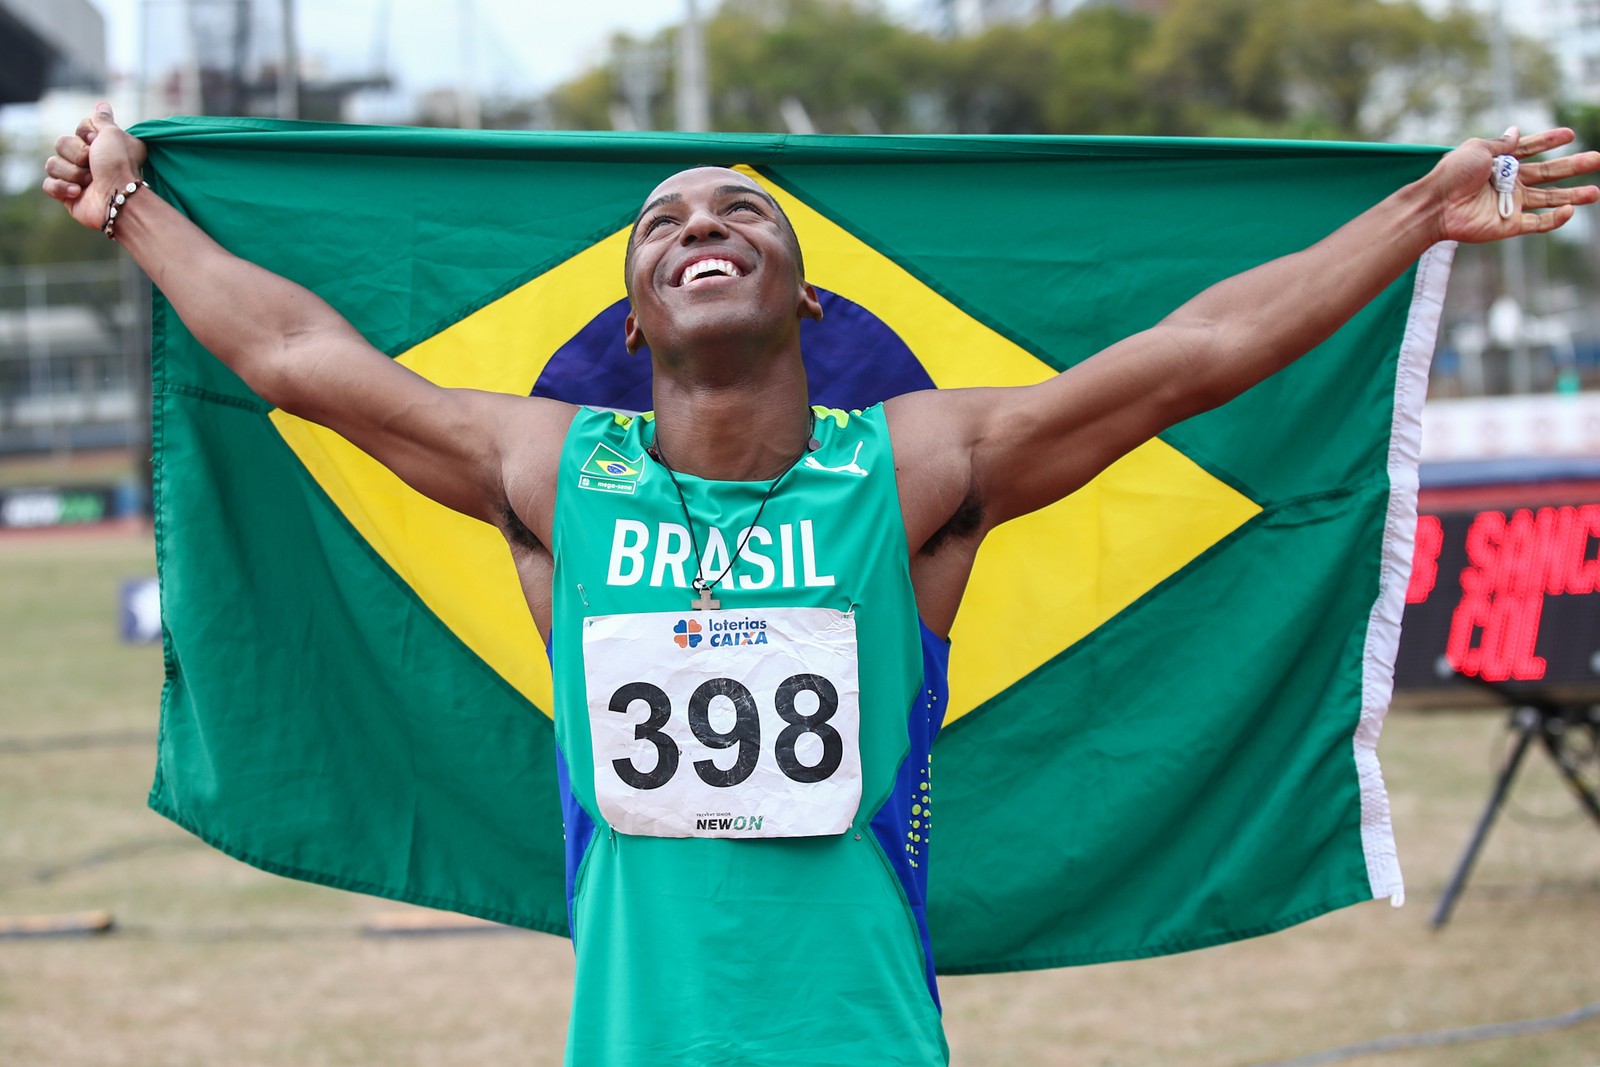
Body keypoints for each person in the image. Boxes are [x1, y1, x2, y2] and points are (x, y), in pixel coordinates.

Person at [44, 105, 1600, 1066]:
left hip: (860, 1038)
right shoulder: (553, 473)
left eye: (742, 213)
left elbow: (1187, 361)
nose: (700, 224)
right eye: (661, 221)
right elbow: (299, 361)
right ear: (636, 322)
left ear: (801, 289)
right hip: (634, 1044)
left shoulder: (912, 471)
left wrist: (1417, 214)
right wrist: (128, 204)